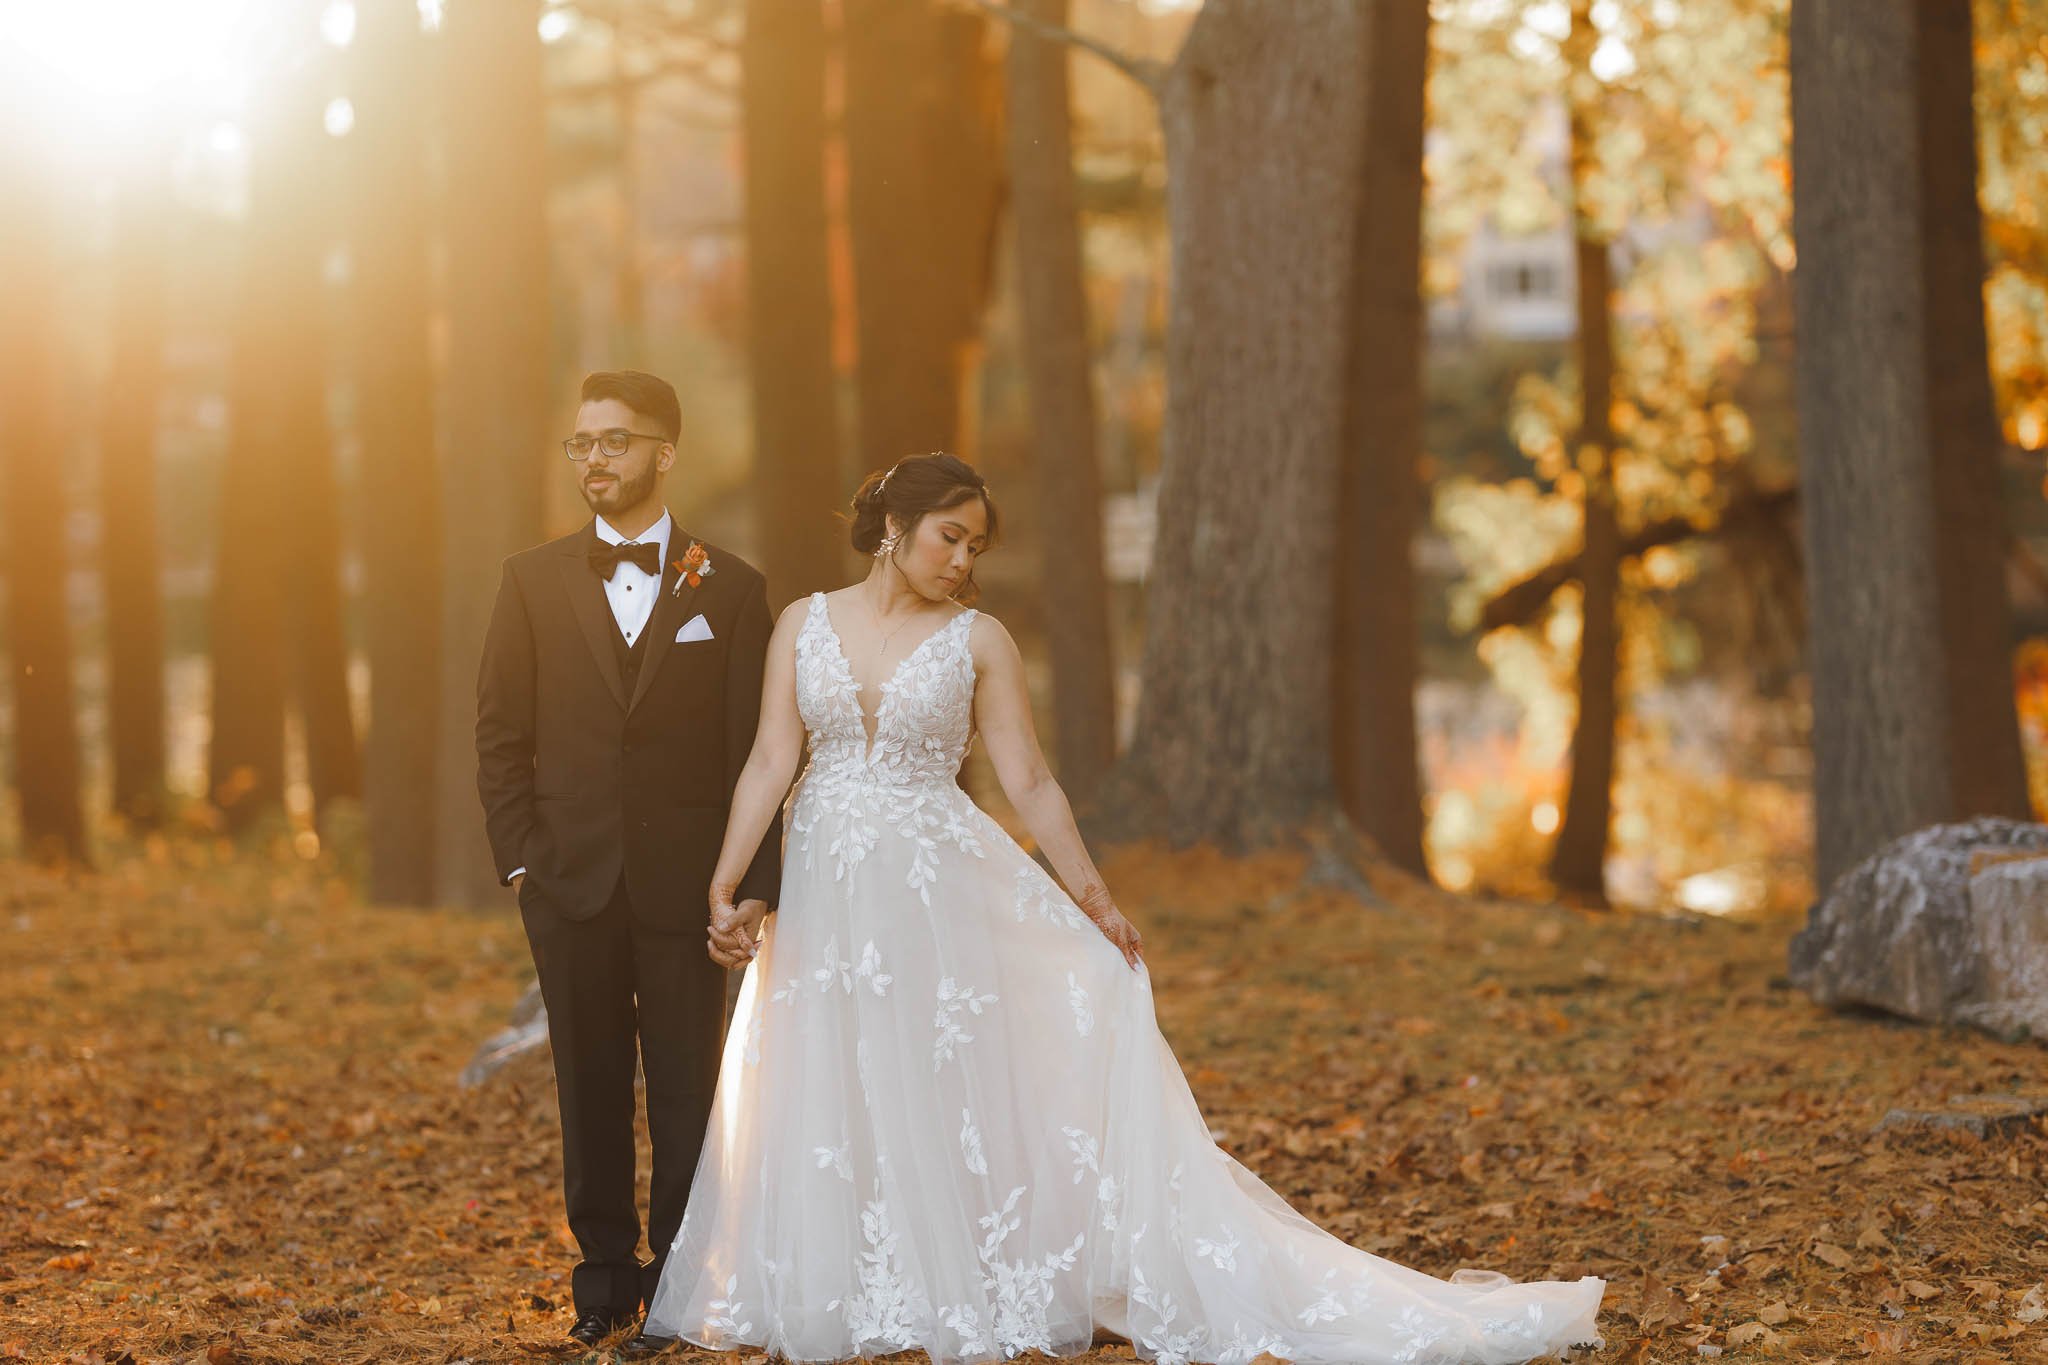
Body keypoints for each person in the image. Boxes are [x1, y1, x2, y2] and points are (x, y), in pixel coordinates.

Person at [625, 454, 1605, 1363]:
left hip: (932, 886)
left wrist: (1093, 900)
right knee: (833, 1069)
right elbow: (768, 759)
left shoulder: (980, 640)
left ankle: (958, 1278)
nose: (962, 562)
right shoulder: (803, 622)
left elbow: (1031, 781)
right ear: (892, 524)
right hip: (829, 888)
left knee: (937, 1072)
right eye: (948, 538)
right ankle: (846, 1287)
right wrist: (725, 879)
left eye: (975, 547)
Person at [475, 370, 780, 1348]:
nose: (594, 458)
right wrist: (522, 860)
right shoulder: (530, 580)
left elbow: (758, 752)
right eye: (581, 443)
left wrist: (752, 885)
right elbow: (498, 735)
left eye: (614, 440)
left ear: (663, 452)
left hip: (694, 889)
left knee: (691, 1087)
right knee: (589, 1082)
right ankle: (602, 1283)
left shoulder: (731, 589)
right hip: (567, 882)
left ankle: (685, 1280)